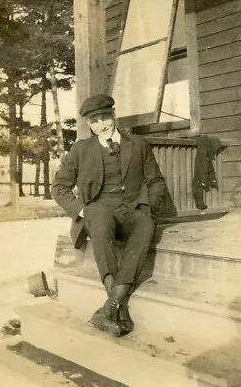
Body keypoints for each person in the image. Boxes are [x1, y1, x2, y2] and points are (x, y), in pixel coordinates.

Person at [51, 94, 167, 336]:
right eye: (94, 121)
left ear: (114, 115)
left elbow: (155, 180)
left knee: (146, 224)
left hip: (131, 209)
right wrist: (81, 211)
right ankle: (117, 305)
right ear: (89, 124)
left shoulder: (137, 144)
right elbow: (59, 187)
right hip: (97, 209)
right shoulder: (81, 149)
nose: (101, 125)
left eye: (105, 118)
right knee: (101, 220)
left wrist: (147, 206)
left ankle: (110, 309)